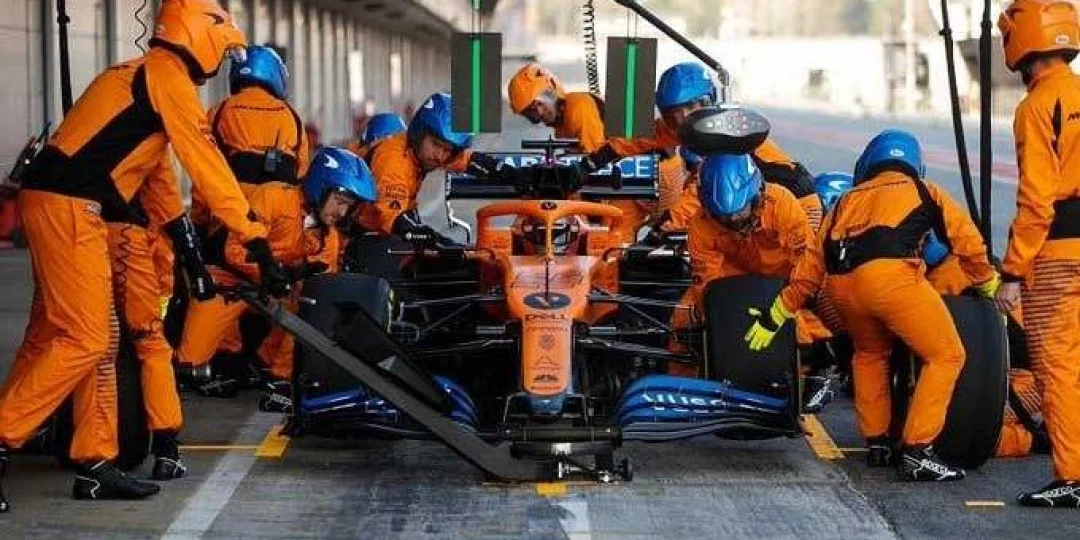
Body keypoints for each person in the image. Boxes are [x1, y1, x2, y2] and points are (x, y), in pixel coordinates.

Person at [0, 0, 286, 508]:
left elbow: (158, 181)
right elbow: (205, 162)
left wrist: (191, 249)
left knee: (62, 336)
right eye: (221, 50)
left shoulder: (143, 75)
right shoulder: (167, 77)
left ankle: (94, 464)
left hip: (61, 203)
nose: (219, 65)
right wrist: (255, 237)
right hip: (71, 206)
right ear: (201, 38)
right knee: (86, 338)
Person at [748, 130, 998, 481]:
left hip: (843, 289)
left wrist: (776, 315)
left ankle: (878, 443)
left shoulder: (844, 202)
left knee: (869, 355)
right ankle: (918, 450)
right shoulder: (924, 190)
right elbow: (967, 241)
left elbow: (809, 270)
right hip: (892, 280)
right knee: (946, 355)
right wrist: (986, 283)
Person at [176, 147, 375, 397]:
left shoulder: (328, 237)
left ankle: (273, 370)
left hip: (270, 291)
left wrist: (283, 375)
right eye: (340, 201)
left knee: (310, 304)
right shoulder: (274, 197)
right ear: (320, 187)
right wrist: (275, 272)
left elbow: (317, 297)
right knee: (189, 365)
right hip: (226, 282)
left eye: (349, 206)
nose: (342, 212)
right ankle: (228, 355)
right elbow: (234, 251)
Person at [995, 0, 1080, 506]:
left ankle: (1073, 477)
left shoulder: (1037, 106)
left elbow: (1037, 200)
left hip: (1058, 256)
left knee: (1059, 367)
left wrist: (1012, 270)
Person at [581, 62, 821, 225]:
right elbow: (638, 139)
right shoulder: (685, 127)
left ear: (709, 101)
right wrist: (589, 163)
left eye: (690, 107)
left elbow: (700, 192)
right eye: (674, 113)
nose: (683, 119)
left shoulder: (723, 133)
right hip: (747, 210)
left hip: (798, 205)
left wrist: (665, 226)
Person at [506, 62, 689, 242]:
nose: (539, 113)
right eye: (531, 113)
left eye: (539, 104)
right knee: (615, 240)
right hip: (637, 175)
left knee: (613, 241)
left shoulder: (577, 108)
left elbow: (595, 167)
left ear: (552, 92)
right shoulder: (564, 125)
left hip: (647, 175)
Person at [671, 153, 812, 358]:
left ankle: (806, 371)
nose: (733, 220)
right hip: (733, 280)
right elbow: (706, 285)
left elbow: (808, 267)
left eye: (739, 211)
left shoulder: (782, 205)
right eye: (723, 217)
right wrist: (722, 322)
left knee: (803, 330)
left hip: (783, 282)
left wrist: (783, 308)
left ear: (755, 196)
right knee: (684, 317)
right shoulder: (701, 225)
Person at [353, 92, 507, 243]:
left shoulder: (424, 152)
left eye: (447, 150)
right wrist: (435, 240)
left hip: (385, 230)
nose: (440, 156)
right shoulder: (393, 158)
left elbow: (465, 160)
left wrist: (509, 172)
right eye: (436, 145)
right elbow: (392, 216)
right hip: (361, 237)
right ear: (419, 133)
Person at [192, 44, 308, 228]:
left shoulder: (219, 113)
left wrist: (199, 221)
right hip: (280, 223)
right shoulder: (292, 117)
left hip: (231, 221)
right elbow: (301, 174)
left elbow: (204, 171)